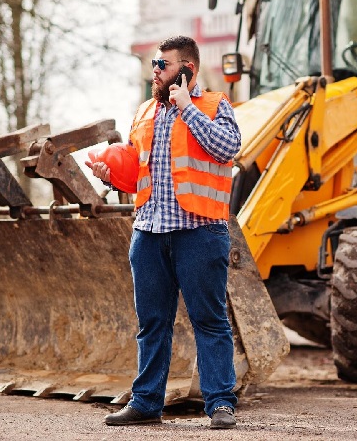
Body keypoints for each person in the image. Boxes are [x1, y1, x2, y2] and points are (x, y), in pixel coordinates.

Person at [86, 35, 241, 430]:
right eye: (154, 63)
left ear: (187, 69)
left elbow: (227, 148)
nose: (155, 69)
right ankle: (146, 402)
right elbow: (139, 170)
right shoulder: (143, 112)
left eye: (163, 64)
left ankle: (221, 404)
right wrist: (112, 175)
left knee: (210, 320)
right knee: (152, 322)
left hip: (200, 232)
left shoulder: (213, 105)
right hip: (149, 232)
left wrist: (187, 107)